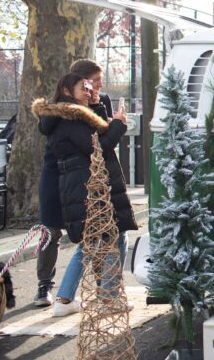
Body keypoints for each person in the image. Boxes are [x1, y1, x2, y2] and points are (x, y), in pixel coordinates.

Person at [32, 74, 138, 317]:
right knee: (113, 236)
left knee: (92, 242)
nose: (90, 90)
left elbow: (95, 132)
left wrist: (97, 106)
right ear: (68, 91)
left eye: (91, 86)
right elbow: (98, 148)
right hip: (85, 187)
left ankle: (66, 299)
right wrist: (119, 125)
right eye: (85, 87)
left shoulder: (71, 115)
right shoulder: (69, 119)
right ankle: (107, 297)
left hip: (82, 185)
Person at [34, 59, 114, 306]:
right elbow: (45, 127)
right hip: (55, 173)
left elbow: (104, 132)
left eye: (100, 80)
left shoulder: (102, 100)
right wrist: (72, 106)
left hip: (84, 174)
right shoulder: (59, 105)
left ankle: (102, 284)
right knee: (51, 229)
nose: (99, 85)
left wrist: (96, 105)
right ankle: (44, 285)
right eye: (95, 80)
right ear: (80, 81)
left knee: (94, 228)